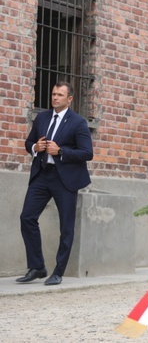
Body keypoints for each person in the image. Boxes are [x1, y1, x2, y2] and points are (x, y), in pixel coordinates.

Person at [18, 82, 93, 286]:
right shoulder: (42, 117)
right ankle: (37, 267)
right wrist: (36, 146)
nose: (55, 98)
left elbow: (87, 153)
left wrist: (60, 151)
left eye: (60, 95)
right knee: (27, 217)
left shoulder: (78, 122)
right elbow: (28, 143)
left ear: (69, 99)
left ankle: (58, 272)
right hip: (42, 175)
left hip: (65, 180)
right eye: (53, 94)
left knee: (66, 227)